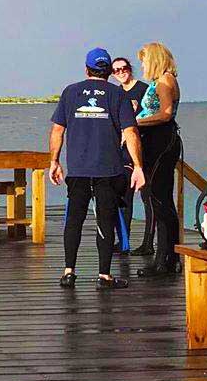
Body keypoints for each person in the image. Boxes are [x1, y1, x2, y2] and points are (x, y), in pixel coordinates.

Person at [48, 48, 145, 289]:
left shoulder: (70, 92)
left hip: (78, 169)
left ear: (86, 69)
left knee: (74, 219)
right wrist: (138, 166)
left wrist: (54, 161)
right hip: (108, 169)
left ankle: (68, 271)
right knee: (105, 219)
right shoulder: (116, 94)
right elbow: (130, 132)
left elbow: (57, 130)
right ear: (109, 72)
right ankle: (104, 275)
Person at [134, 42, 183, 279]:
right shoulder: (159, 81)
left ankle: (165, 258)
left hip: (162, 141)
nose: (142, 65)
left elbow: (165, 113)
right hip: (154, 140)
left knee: (159, 198)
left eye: (144, 60)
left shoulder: (165, 81)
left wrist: (135, 123)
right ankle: (168, 257)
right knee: (157, 197)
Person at [110, 56, 152, 256]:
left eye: (123, 68)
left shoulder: (143, 89)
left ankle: (148, 242)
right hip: (121, 152)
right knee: (124, 196)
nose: (120, 73)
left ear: (130, 69)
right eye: (116, 70)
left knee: (148, 197)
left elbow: (152, 114)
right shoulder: (116, 93)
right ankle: (124, 240)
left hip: (143, 147)